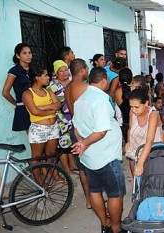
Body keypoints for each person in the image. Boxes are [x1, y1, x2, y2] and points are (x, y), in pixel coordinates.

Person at [71, 67, 125, 233]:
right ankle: (115, 228)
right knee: (115, 194)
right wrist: (85, 143)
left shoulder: (80, 100)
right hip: (106, 157)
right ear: (103, 81)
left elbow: (76, 128)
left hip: (88, 158)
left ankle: (105, 223)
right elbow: (101, 131)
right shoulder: (100, 100)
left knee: (95, 191)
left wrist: (81, 142)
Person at [22, 66, 61, 184]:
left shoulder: (48, 91)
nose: (48, 77)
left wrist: (44, 107)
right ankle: (40, 183)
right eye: (45, 75)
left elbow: (58, 105)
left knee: (51, 154)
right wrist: (51, 110)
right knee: (37, 157)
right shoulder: (28, 94)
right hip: (39, 129)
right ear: (37, 78)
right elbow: (35, 111)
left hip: (53, 128)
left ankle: (54, 175)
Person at [64, 58, 92, 210]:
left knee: (82, 168)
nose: (87, 72)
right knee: (92, 166)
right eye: (86, 69)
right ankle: (94, 198)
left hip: (75, 128)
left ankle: (88, 200)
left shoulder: (68, 87)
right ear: (82, 70)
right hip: (85, 130)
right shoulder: (83, 87)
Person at [47, 60, 78, 175]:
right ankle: (66, 169)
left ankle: (73, 164)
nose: (65, 72)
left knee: (71, 141)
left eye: (66, 69)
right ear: (56, 73)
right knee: (63, 143)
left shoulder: (71, 82)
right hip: (61, 118)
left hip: (72, 116)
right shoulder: (53, 85)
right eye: (61, 71)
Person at [125, 89, 164, 177]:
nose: (134, 110)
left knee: (151, 185)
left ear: (146, 103)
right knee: (137, 185)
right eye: (131, 106)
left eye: (137, 107)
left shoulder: (153, 115)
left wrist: (140, 163)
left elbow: (149, 141)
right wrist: (128, 141)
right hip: (135, 152)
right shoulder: (132, 112)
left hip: (152, 154)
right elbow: (130, 128)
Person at [2, 43, 33, 132]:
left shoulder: (33, 70)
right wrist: (17, 104)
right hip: (24, 107)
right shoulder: (14, 71)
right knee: (33, 138)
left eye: (30, 52)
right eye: (24, 53)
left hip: (38, 106)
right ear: (18, 56)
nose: (28, 55)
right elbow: (5, 92)